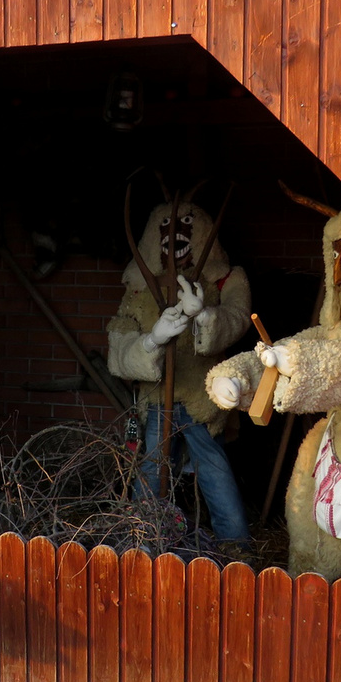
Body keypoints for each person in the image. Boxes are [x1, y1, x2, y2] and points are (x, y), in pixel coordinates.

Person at [107, 197, 253, 549]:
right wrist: (151, 341)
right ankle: (143, 532)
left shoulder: (223, 280)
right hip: (159, 398)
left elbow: (237, 318)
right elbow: (119, 337)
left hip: (203, 396)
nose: (174, 236)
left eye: (188, 225)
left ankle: (235, 543)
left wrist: (205, 317)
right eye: (165, 228)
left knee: (212, 466)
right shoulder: (142, 288)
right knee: (154, 464)